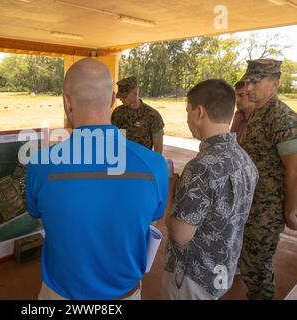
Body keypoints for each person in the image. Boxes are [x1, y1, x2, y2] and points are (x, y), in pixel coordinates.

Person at [26, 58, 169, 300]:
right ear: (113, 99)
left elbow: (37, 215)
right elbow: (153, 219)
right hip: (125, 293)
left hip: (61, 293)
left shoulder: (40, 164)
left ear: (66, 101)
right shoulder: (155, 165)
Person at [163, 79, 258, 300]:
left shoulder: (201, 167)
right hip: (221, 271)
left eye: (188, 110)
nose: (187, 118)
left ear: (199, 112)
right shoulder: (245, 160)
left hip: (191, 277)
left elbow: (180, 235)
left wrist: (171, 195)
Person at [238, 59, 297, 300]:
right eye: (247, 81)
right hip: (251, 204)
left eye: (256, 82)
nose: (249, 87)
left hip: (267, 210)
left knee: (258, 270)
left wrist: (290, 209)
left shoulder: (282, 118)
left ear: (275, 82)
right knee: (250, 265)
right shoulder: (256, 113)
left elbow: (294, 168)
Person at [111, 76, 165, 153]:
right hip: (122, 159)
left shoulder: (152, 115)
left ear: (135, 93)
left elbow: (158, 148)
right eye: (120, 96)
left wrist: (155, 163)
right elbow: (113, 138)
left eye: (124, 96)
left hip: (143, 161)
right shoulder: (117, 112)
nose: (121, 99)